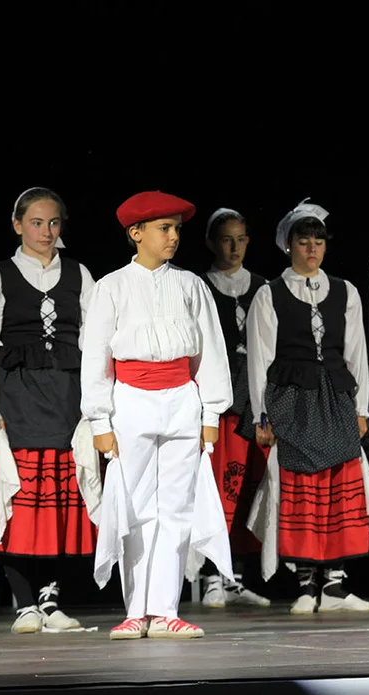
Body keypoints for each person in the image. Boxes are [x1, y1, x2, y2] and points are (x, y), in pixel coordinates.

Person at [82, 190, 234, 640]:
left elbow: (210, 351)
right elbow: (96, 359)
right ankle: (136, 610)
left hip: (181, 399)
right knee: (136, 506)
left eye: (176, 229)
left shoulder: (190, 285)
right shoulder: (111, 286)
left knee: (177, 507)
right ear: (136, 233)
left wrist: (211, 413)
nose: (173, 237)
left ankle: (166, 609)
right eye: (163, 229)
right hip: (131, 399)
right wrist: (100, 421)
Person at [0, 187, 99, 633]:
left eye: (53, 222)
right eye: (37, 223)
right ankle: (24, 604)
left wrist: (96, 408)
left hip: (66, 405)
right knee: (19, 507)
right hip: (16, 404)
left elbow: (96, 344)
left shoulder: (79, 274)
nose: (46, 231)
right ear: (18, 225)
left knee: (55, 509)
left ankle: (50, 601)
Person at [246, 199, 369, 616]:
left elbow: (356, 352)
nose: (312, 249)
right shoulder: (269, 294)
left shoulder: (345, 291)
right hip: (291, 400)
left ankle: (335, 584)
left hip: (335, 398)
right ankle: (307, 582)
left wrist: (361, 408)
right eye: (303, 241)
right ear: (288, 245)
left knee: (339, 486)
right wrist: (261, 415)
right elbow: (260, 358)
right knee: (300, 488)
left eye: (318, 241)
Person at [197, 207, 270, 608]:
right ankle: (212, 575)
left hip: (252, 401)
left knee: (246, 486)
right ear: (211, 243)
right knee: (216, 488)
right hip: (219, 402)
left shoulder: (261, 287)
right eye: (227, 239)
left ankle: (235, 575)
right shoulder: (200, 286)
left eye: (241, 239)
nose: (234, 247)